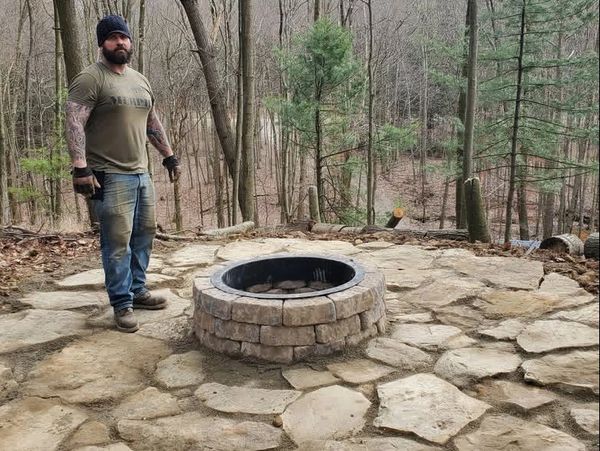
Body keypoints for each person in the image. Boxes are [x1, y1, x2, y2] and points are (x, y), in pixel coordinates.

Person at [65, 15, 181, 332]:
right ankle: (122, 303)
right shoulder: (91, 78)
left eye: (124, 38)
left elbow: (151, 121)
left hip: (141, 172)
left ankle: (138, 290)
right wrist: (80, 167)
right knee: (117, 243)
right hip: (109, 174)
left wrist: (169, 156)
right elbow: (74, 122)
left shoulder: (139, 80)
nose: (120, 43)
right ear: (102, 43)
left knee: (144, 235)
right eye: (114, 38)